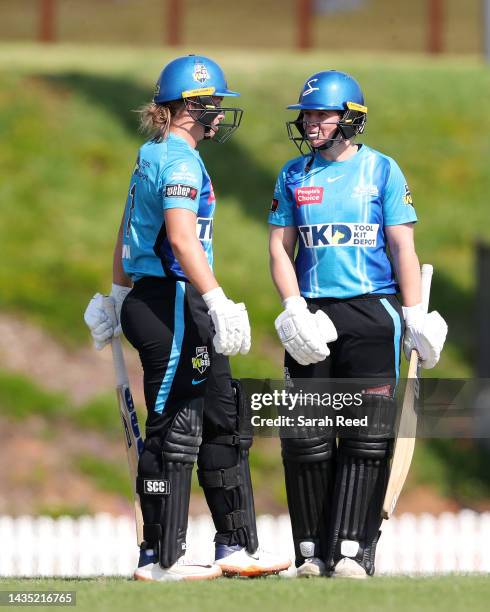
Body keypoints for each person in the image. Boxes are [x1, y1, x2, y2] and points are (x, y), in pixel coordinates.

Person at [84, 54, 290, 582]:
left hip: (174, 300)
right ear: (191, 107)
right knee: (176, 430)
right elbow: (178, 238)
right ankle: (161, 556)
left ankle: (234, 546)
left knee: (225, 417)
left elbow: (127, 228)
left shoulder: (154, 153)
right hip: (170, 300)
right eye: (215, 104)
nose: (220, 114)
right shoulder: (176, 161)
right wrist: (217, 298)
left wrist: (113, 293)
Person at [268, 70, 448, 578]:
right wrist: (292, 307)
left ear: (350, 119)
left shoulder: (382, 171)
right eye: (306, 114)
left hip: (371, 312)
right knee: (305, 435)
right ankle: (310, 551)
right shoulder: (293, 174)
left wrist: (414, 316)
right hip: (313, 317)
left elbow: (402, 247)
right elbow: (280, 250)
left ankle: (351, 550)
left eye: (321, 114)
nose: (310, 123)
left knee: (365, 438)